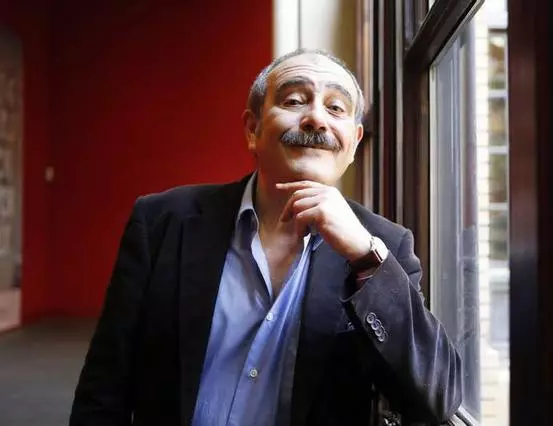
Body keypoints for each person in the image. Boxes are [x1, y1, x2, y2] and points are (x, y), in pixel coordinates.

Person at [69, 48, 462, 426]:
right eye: (294, 101)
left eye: (335, 108)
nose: (316, 119)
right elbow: (104, 388)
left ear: (355, 142)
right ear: (252, 129)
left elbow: (436, 397)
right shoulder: (162, 222)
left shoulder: (382, 246)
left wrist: (365, 259)